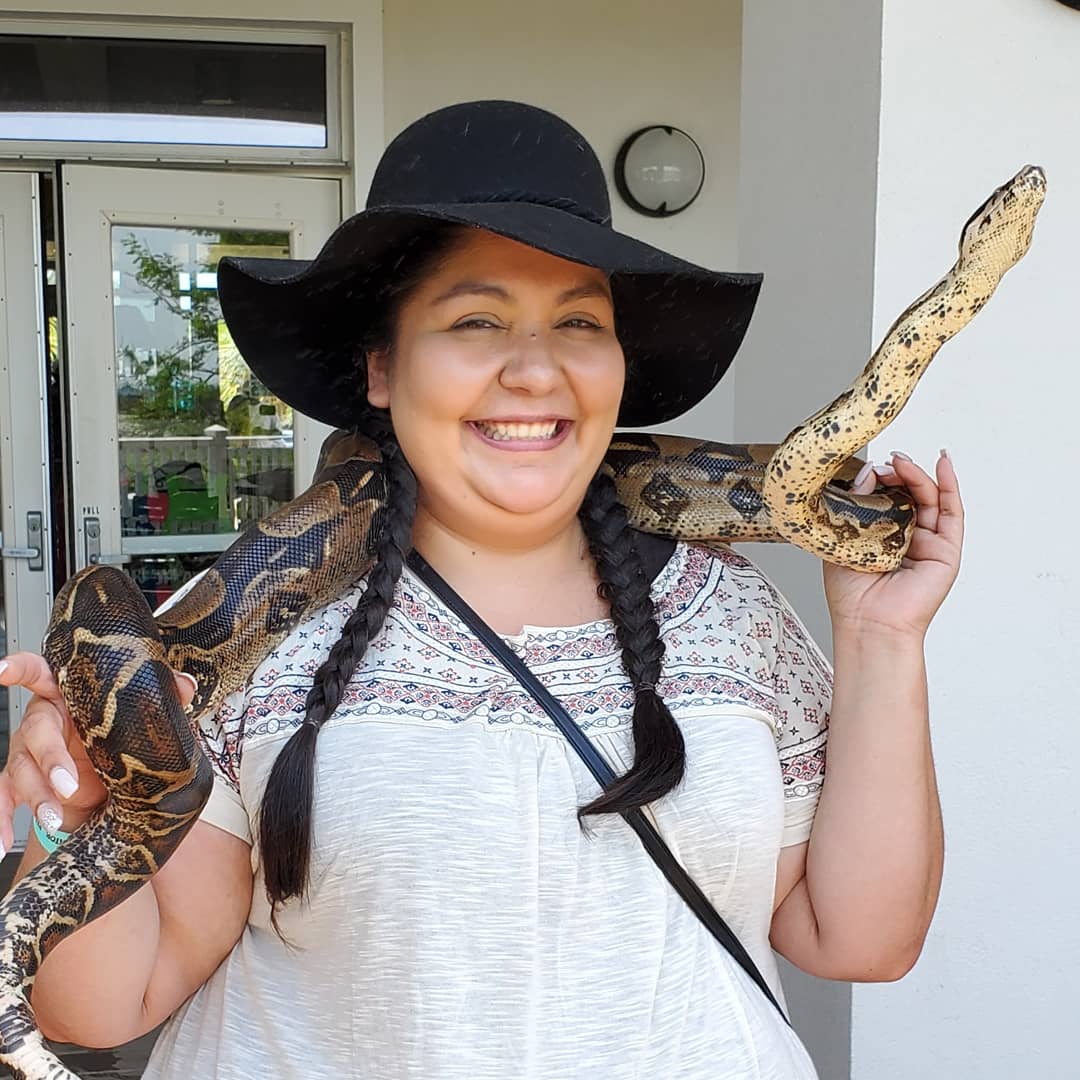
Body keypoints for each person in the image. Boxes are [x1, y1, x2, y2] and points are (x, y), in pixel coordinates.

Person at [0, 100, 962, 1079]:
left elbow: (860, 940)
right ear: (382, 366)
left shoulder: (735, 616)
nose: (535, 369)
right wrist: (73, 813)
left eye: (579, 322)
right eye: (475, 320)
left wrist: (884, 641)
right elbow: (105, 1003)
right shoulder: (230, 644)